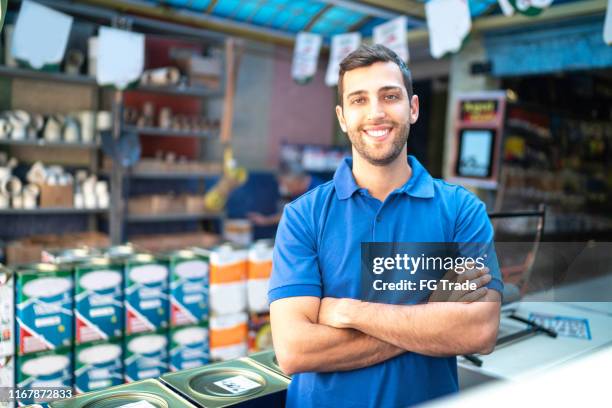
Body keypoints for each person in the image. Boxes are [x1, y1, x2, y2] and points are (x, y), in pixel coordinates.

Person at [269, 44, 503, 408]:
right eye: (359, 100)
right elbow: (295, 350)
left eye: (389, 96)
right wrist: (431, 315)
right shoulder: (304, 217)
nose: (375, 112)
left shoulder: (462, 211)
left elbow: (479, 330)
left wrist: (350, 312)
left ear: (412, 108)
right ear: (343, 117)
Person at [248, 163, 323, 227]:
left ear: (296, 180)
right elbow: (291, 213)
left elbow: (297, 215)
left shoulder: (319, 193)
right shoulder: (297, 191)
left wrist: (266, 220)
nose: (283, 188)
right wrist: (265, 220)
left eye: (285, 184)